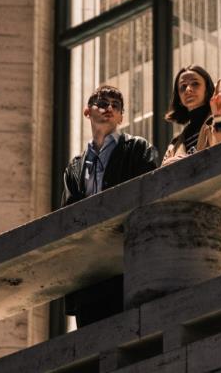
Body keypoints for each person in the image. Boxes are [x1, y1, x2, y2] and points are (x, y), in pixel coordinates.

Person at [62, 84, 159, 327]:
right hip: (89, 276)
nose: (109, 109)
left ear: (121, 116)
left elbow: (149, 202)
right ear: (87, 112)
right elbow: (68, 222)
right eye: (103, 103)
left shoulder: (138, 149)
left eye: (116, 106)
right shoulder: (75, 167)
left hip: (127, 267)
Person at [162, 65, 221, 267]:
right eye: (183, 87)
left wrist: (218, 116)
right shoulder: (175, 142)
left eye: (195, 84)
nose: (188, 89)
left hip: (215, 210)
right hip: (185, 220)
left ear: (207, 89)